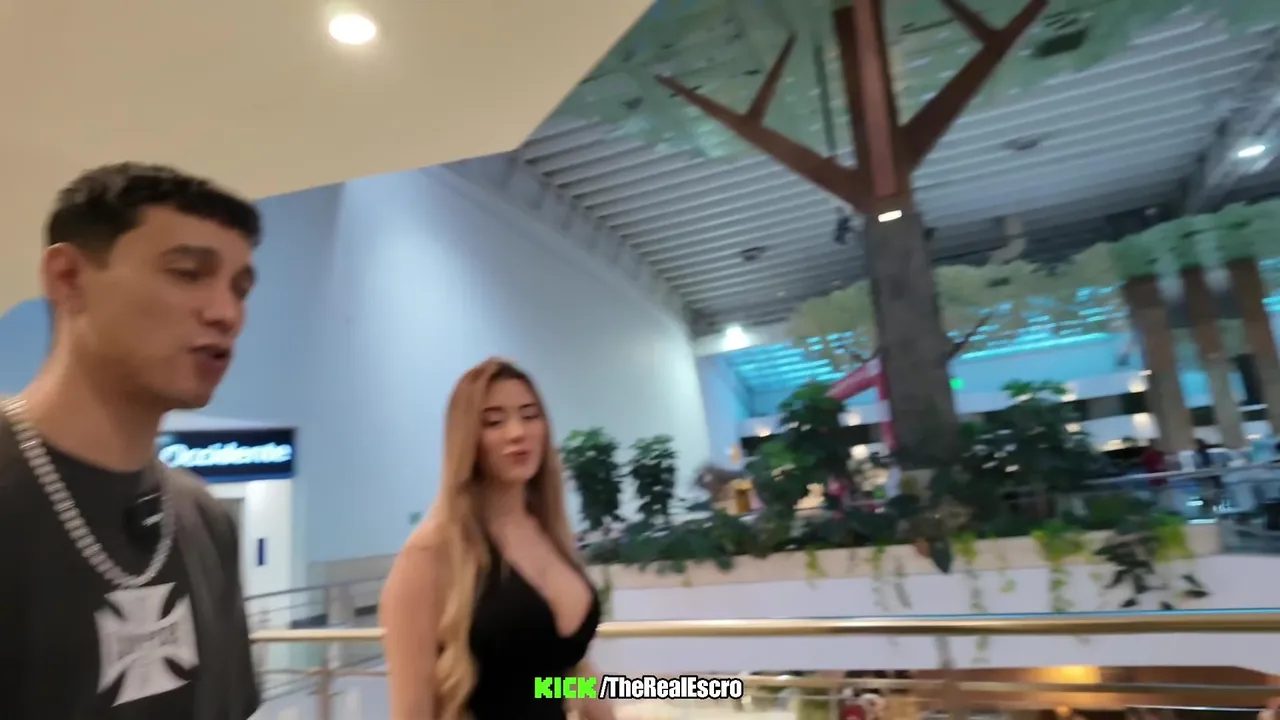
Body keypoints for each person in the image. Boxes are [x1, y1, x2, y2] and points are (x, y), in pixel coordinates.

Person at [0, 163, 263, 719]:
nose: (226, 313)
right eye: (188, 273)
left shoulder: (203, 521)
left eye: (240, 289)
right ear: (69, 278)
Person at [380, 359, 615, 720]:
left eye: (530, 415)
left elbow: (553, 678)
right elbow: (412, 713)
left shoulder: (548, 532)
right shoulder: (428, 555)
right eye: (494, 422)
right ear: (467, 440)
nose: (517, 432)